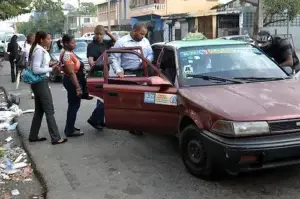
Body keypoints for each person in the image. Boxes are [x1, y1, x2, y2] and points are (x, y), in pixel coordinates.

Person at [29, 31, 67, 145]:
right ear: (41, 39)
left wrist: (50, 64)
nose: (50, 41)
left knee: (39, 111)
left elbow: (39, 66)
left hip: (38, 83)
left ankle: (33, 135)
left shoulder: (38, 49)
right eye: (48, 39)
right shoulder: (39, 51)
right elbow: (35, 70)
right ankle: (55, 137)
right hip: (40, 82)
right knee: (49, 110)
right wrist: (52, 69)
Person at [86, 25, 116, 130]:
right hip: (97, 73)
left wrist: (108, 33)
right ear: (94, 34)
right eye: (97, 34)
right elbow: (90, 59)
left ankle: (100, 120)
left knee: (101, 98)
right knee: (103, 97)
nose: (99, 36)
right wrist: (92, 64)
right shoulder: (91, 45)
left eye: (101, 34)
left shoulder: (106, 43)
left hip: (106, 72)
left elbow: (116, 41)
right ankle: (94, 119)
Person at [60, 34, 84, 137]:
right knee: (74, 105)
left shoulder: (68, 52)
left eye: (75, 42)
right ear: (66, 43)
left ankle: (70, 127)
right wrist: (78, 87)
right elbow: (71, 73)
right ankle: (70, 130)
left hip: (70, 79)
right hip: (71, 80)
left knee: (73, 105)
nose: (75, 44)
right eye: (73, 43)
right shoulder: (67, 55)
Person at [24, 33, 35, 99]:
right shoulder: (27, 46)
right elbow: (26, 56)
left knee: (36, 78)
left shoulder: (35, 45)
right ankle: (32, 92)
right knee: (31, 78)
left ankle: (35, 91)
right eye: (32, 38)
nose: (34, 39)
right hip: (29, 63)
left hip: (35, 63)